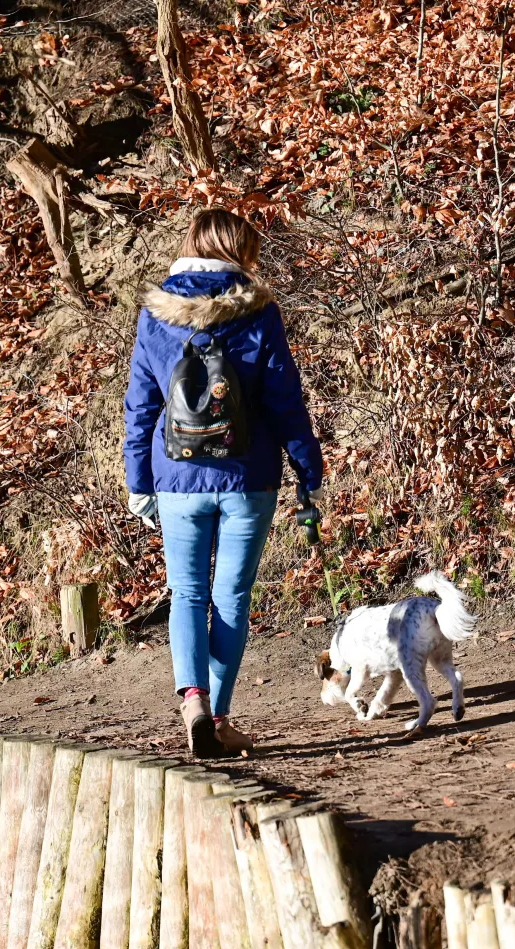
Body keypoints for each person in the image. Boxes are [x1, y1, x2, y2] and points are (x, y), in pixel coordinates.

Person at [123, 207, 324, 756]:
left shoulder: (157, 315)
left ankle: (193, 703)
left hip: (176, 477)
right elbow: (286, 401)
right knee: (230, 597)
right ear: (239, 250)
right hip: (247, 475)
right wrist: (309, 469)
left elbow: (141, 404)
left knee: (186, 593)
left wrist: (138, 479)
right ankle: (219, 716)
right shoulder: (258, 311)